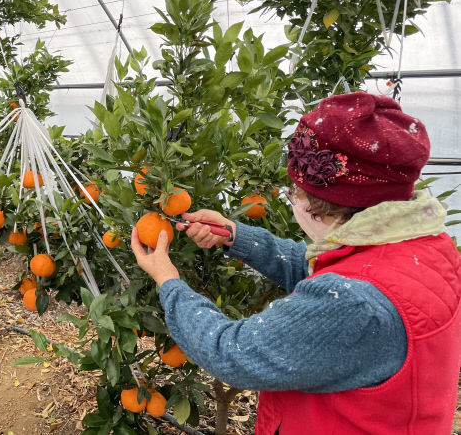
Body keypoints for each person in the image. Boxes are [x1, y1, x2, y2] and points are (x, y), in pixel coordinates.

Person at [131, 91, 461, 435]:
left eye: (294, 193)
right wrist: (234, 234)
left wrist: (168, 281)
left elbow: (231, 352)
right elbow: (328, 271)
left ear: (324, 205)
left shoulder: (354, 303)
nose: (292, 199)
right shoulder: (426, 246)